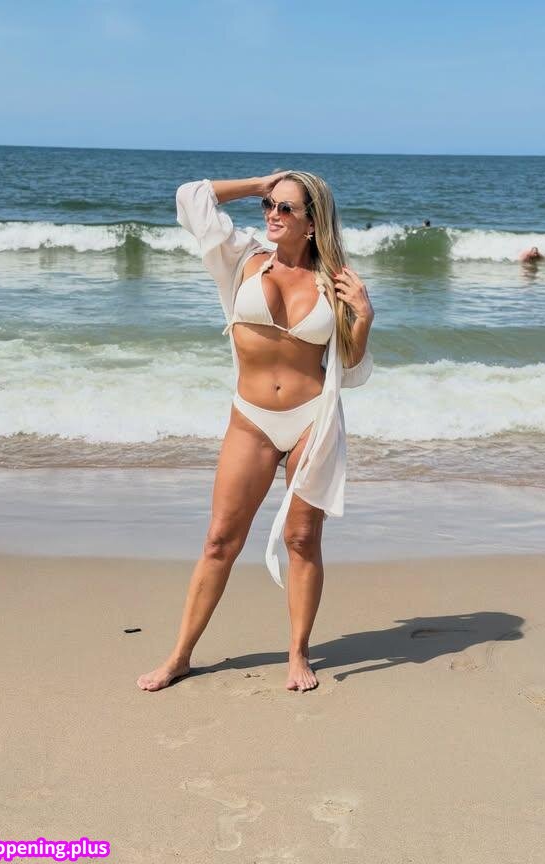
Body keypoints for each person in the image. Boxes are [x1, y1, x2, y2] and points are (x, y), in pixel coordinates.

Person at [137, 171, 374, 693]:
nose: (272, 214)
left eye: (286, 208)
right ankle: (179, 656)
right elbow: (191, 197)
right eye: (269, 205)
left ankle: (298, 653)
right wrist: (260, 183)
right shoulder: (243, 256)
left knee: (302, 539)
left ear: (312, 223)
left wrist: (363, 317)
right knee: (220, 540)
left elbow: (352, 369)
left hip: (312, 418)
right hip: (252, 419)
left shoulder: (335, 280)